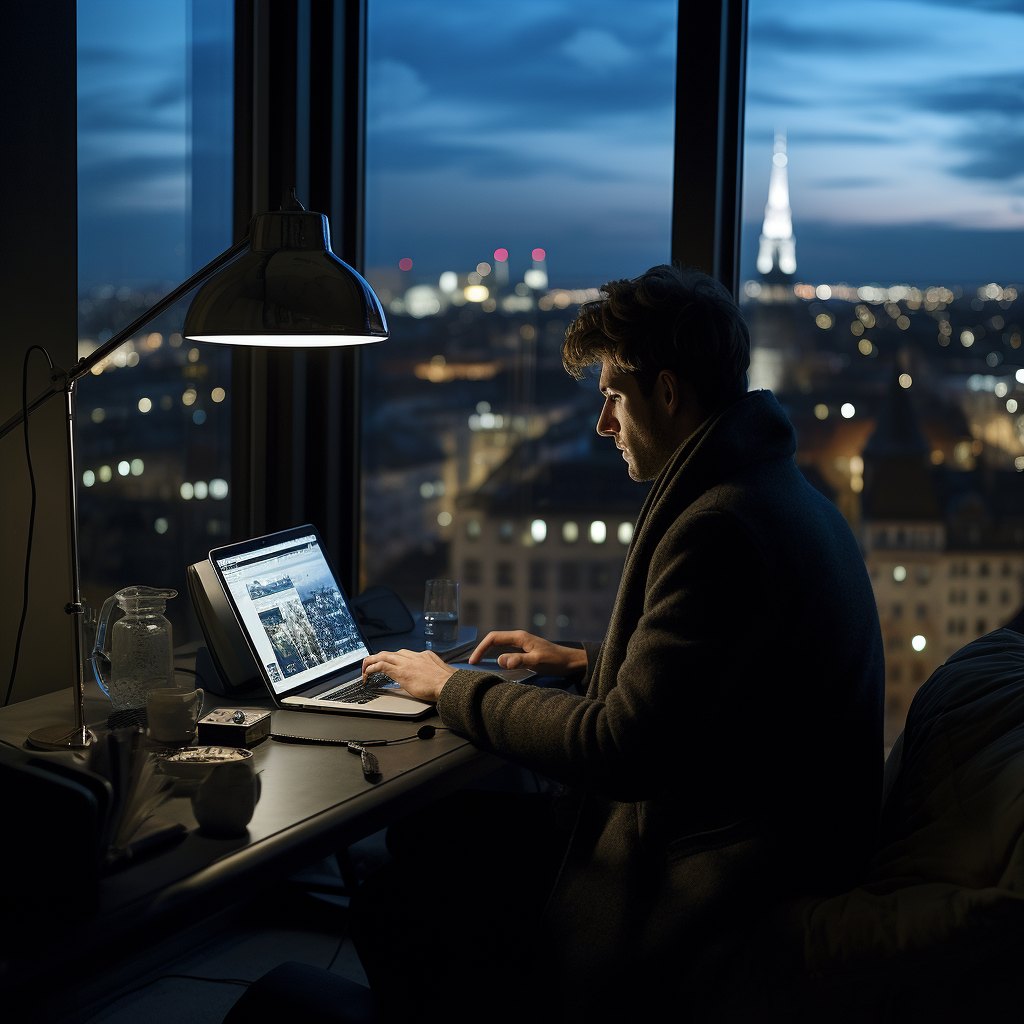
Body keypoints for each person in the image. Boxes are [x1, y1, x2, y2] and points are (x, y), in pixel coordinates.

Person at [353, 264, 884, 1023]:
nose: (604, 425)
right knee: (426, 828)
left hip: (709, 870)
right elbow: (736, 691)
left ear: (668, 394)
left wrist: (450, 687)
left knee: (392, 904)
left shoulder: (720, 530)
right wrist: (588, 662)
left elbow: (621, 749)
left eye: (612, 397)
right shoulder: (781, 495)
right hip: (759, 834)